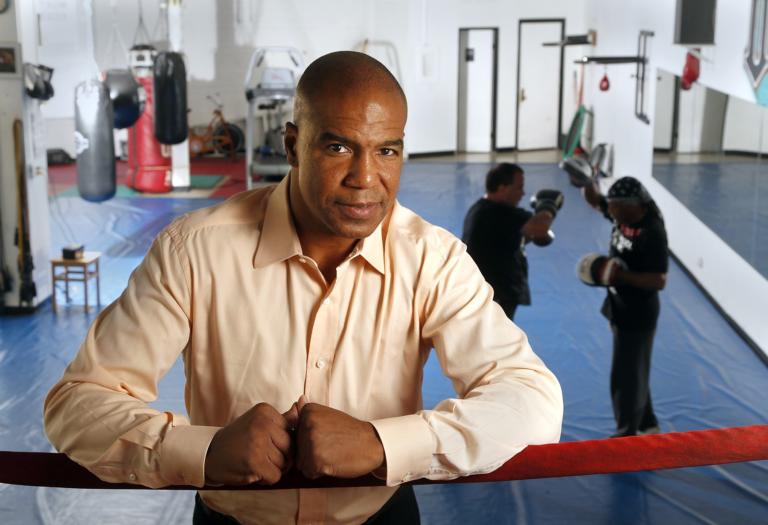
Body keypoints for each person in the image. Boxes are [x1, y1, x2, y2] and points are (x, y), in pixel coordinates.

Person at [44, 51, 563, 525]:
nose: (365, 177)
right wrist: (201, 450)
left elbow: (533, 399)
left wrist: (384, 444)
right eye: (339, 147)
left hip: (379, 518)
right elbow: (77, 402)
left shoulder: (431, 258)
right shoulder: (195, 251)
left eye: (386, 150)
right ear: (293, 146)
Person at [580, 176, 668, 437]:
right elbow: (594, 200)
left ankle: (626, 435)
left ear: (635, 205)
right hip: (619, 305)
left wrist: (619, 276)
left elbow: (659, 280)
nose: (611, 210)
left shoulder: (651, 231)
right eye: (611, 205)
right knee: (634, 370)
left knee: (625, 377)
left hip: (638, 313)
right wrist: (586, 178)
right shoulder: (623, 216)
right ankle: (647, 424)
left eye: (616, 206)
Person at [462, 163, 562, 320]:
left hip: (489, 293)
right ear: (503, 188)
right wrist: (548, 207)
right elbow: (540, 228)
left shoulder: (481, 209)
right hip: (495, 294)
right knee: (495, 334)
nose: (523, 193)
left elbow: (509, 239)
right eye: (519, 188)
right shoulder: (498, 213)